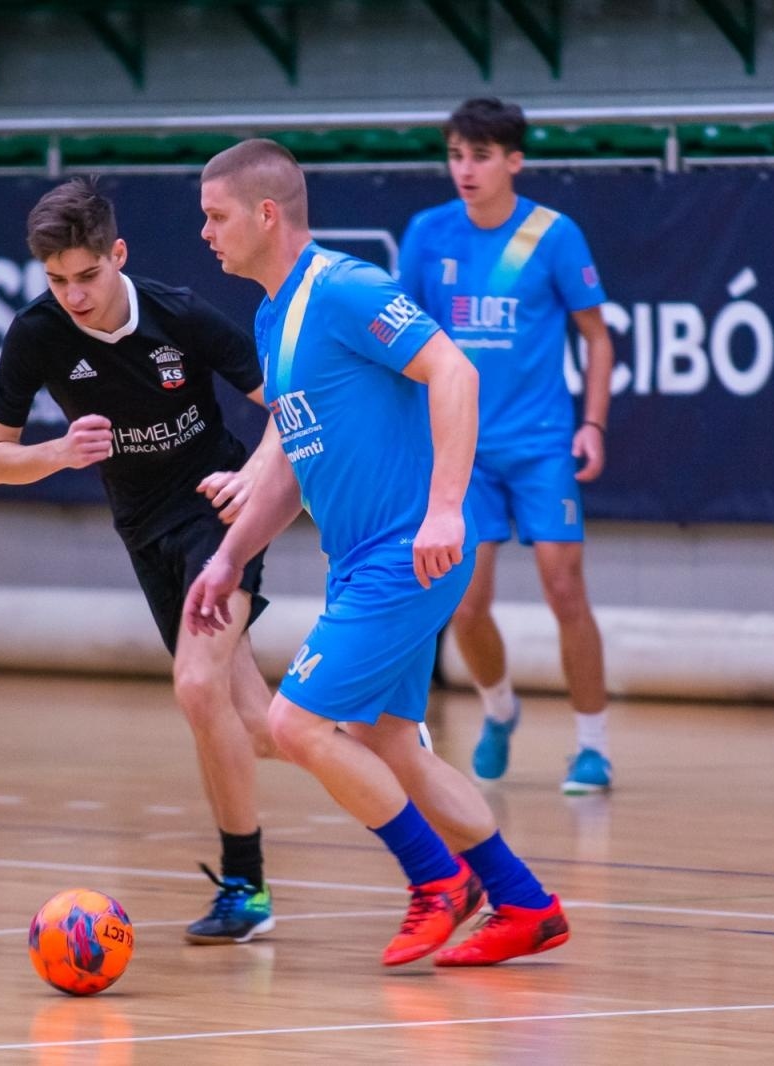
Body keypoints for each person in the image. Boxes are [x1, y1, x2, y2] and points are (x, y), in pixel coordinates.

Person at [186, 138, 569, 967]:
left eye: (216, 217)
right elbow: (293, 463)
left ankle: (437, 881)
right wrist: (227, 557)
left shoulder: (345, 287)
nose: (206, 233)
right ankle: (525, 903)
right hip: (359, 559)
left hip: (410, 551)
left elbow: (455, 373)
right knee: (391, 743)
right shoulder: (270, 313)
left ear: (265, 214)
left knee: (294, 722)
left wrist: (443, 511)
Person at [0, 178, 281, 943]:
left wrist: (251, 482)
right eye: (57, 281)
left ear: (117, 255)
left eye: (86, 276)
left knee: (194, 684)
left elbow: (287, 407)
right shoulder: (38, 334)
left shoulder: (180, 314)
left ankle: (245, 886)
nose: (74, 296)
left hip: (218, 511)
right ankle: (398, 759)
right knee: (262, 722)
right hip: (143, 529)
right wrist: (56, 451)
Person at [397, 97, 618, 794]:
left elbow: (598, 339)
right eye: (456, 154)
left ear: (514, 161)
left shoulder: (553, 235)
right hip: (461, 451)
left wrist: (594, 423)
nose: (465, 169)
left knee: (564, 586)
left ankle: (593, 748)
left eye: (481, 156)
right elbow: (402, 345)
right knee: (465, 606)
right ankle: (500, 710)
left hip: (543, 444)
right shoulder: (427, 234)